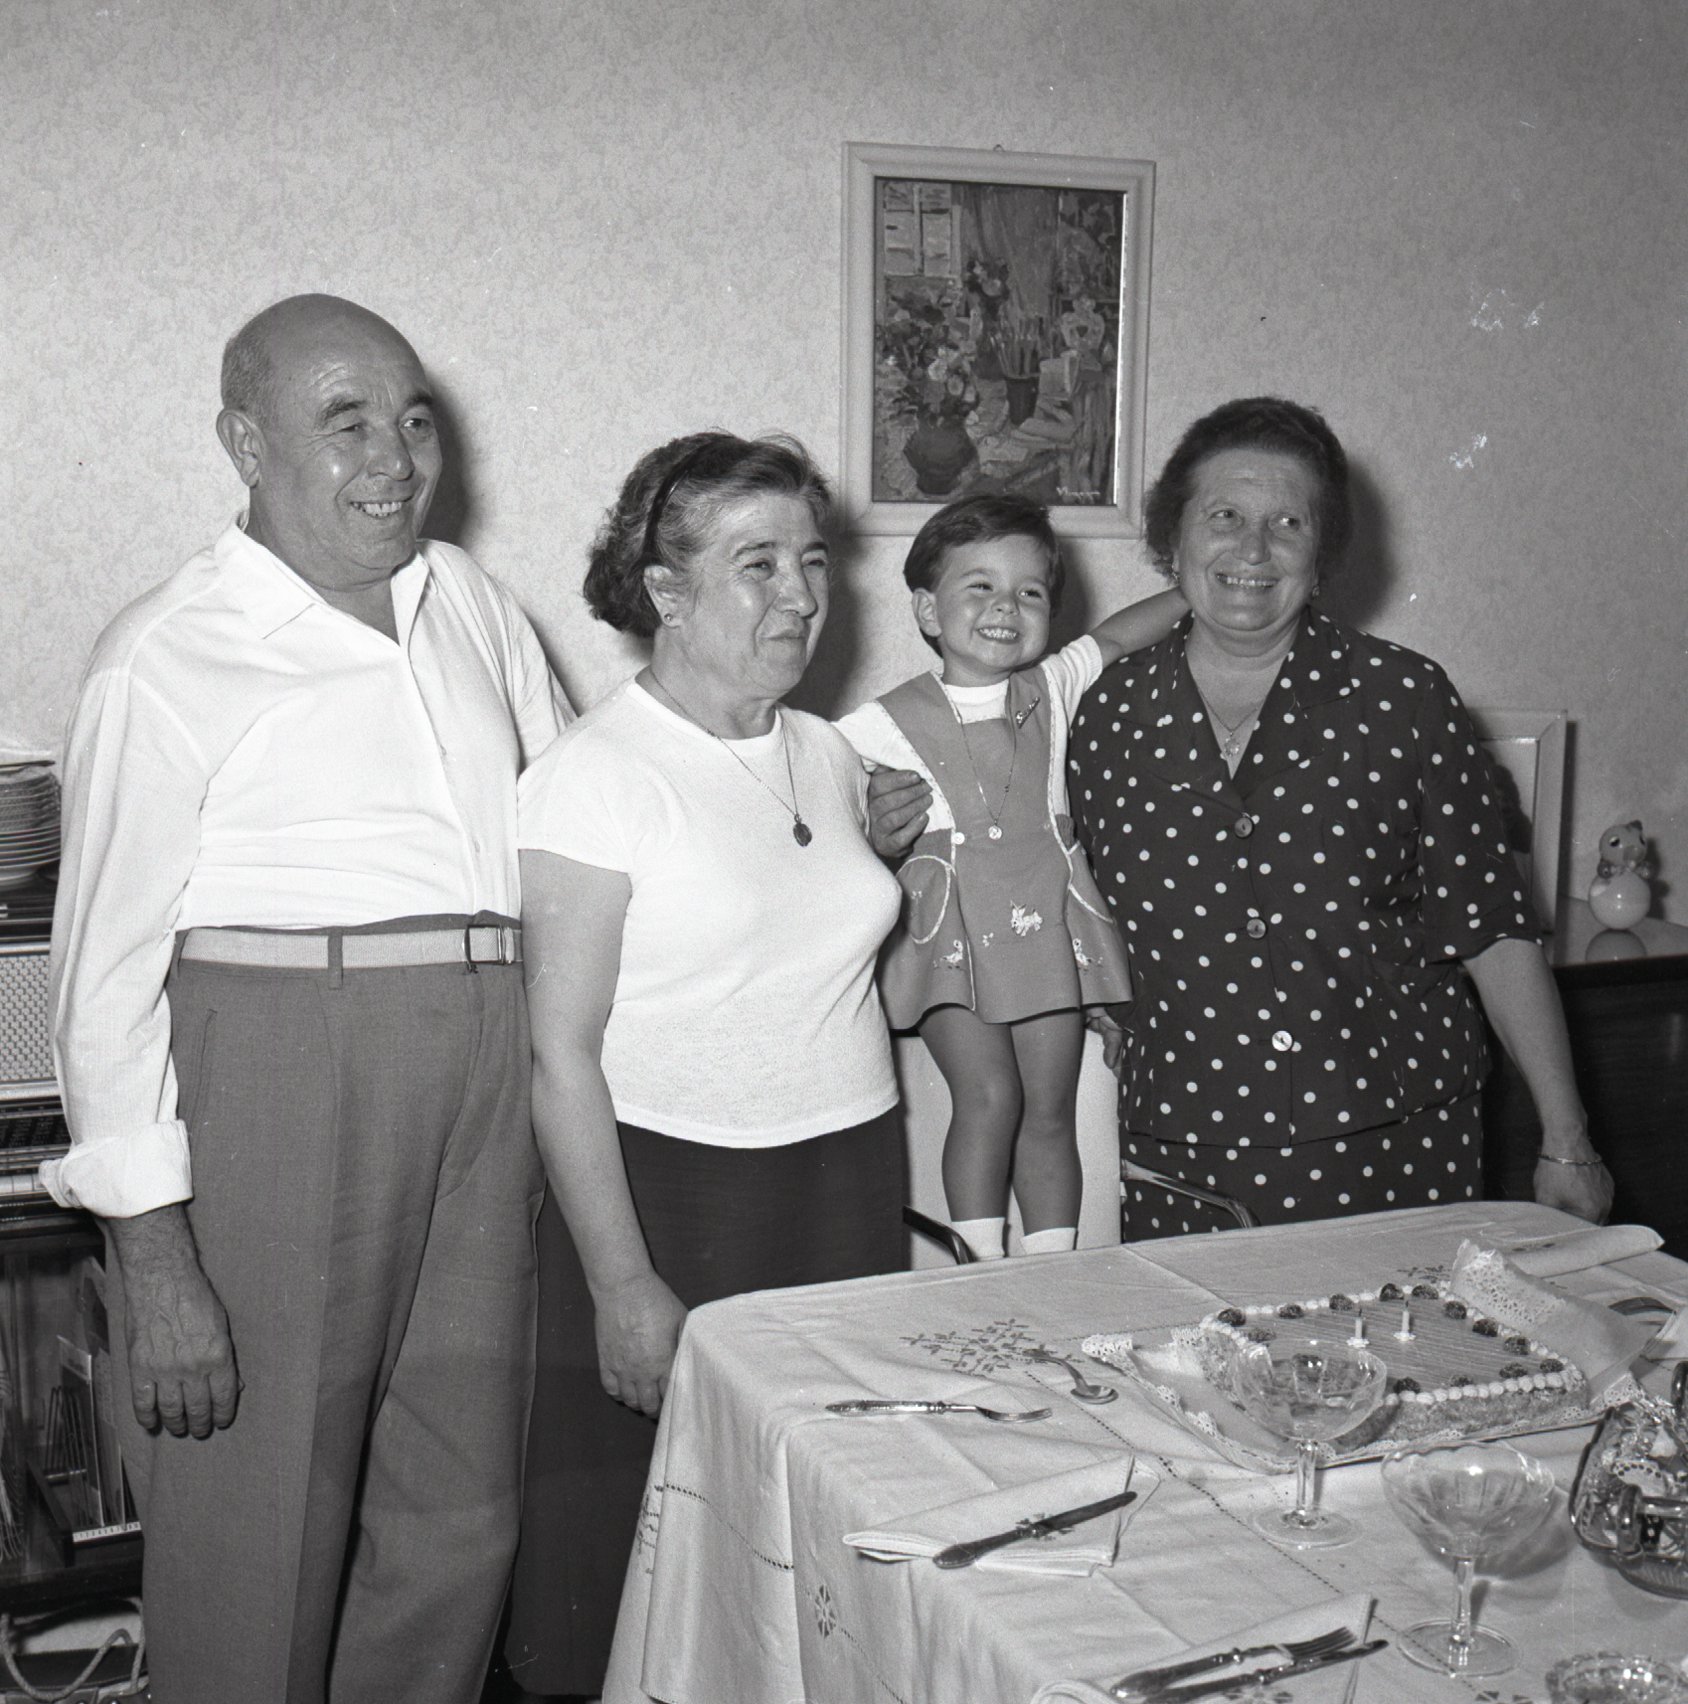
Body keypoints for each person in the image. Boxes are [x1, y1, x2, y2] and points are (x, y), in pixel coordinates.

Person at [44, 294, 570, 1702]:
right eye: (346, 423)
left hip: (490, 1065)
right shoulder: (166, 650)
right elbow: (101, 983)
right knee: (257, 1524)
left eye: (413, 420)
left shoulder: (472, 601)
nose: (395, 458)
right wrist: (156, 1263)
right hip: (285, 1076)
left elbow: (577, 818)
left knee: (459, 1513)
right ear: (244, 441)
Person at [504, 432, 905, 1700]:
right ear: (665, 591)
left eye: (812, 560)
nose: (800, 593)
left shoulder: (825, 752)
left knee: (814, 1534)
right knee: (648, 1557)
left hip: (846, 1180)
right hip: (675, 1199)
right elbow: (558, 1056)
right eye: (756, 564)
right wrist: (623, 1285)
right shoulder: (594, 776)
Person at [1067, 396, 1613, 1235]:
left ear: (1321, 554)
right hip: (1184, 1142)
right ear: (1172, 540)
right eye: (1223, 516)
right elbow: (1040, 880)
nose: (1253, 549)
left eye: (1287, 523)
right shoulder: (1102, 713)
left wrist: (1567, 1139)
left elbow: (1492, 930)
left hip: (1396, 1139)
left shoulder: (1405, 698)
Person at [834, 495, 1182, 1261]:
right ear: (927, 609)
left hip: (1044, 931)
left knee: (1050, 1109)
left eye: (1030, 591)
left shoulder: (1053, 687)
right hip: (950, 941)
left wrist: (1199, 587)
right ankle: (980, 1270)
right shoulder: (874, 724)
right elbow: (821, 816)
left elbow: (1120, 635)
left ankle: (1051, 1272)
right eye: (980, 586)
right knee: (990, 1096)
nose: (1006, 607)